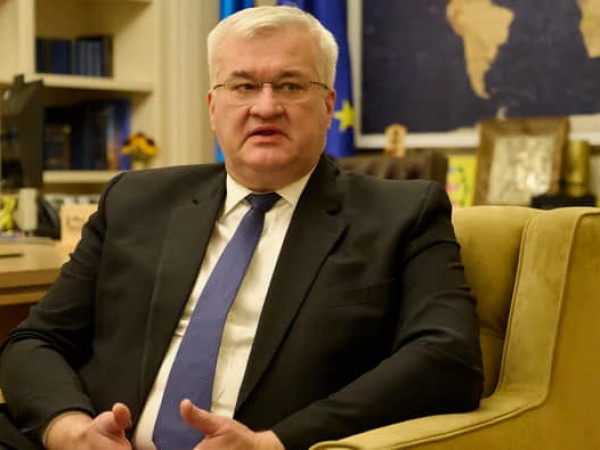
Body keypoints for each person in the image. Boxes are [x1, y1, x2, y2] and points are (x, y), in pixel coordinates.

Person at [0, 6, 483, 450]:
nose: (266, 107)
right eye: (243, 86)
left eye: (290, 86)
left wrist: (273, 443)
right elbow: (35, 341)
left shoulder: (402, 214)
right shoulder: (134, 200)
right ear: (213, 106)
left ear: (328, 105)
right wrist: (71, 431)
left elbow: (448, 359)